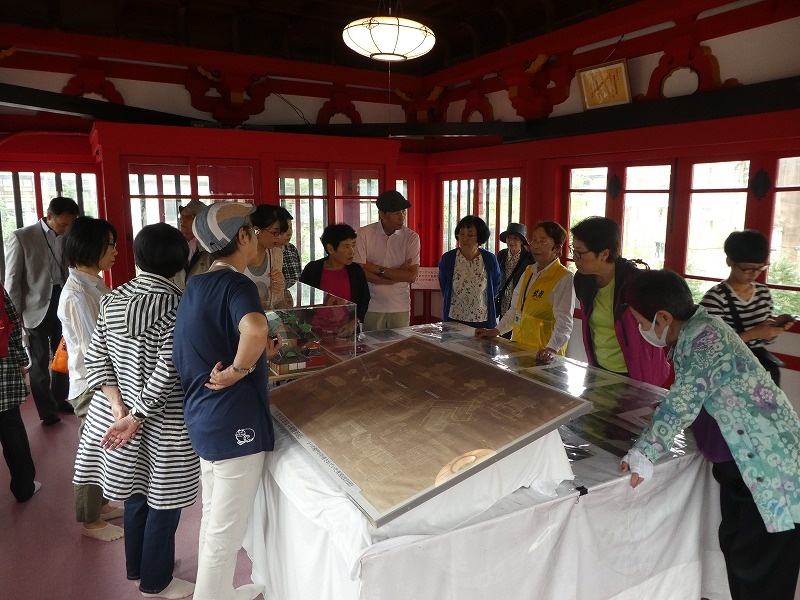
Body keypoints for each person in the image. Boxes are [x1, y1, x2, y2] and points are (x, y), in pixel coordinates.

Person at [620, 269, 800, 600]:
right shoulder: (697, 331)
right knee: (738, 547)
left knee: (760, 565)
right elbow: (699, 393)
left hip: (769, 470)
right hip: (745, 466)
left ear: (664, 317)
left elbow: (684, 400)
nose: (641, 329)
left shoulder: (706, 338)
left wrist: (644, 453)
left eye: (641, 323)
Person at [73, 223, 198, 600]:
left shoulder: (113, 298)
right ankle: (156, 581)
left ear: (139, 257)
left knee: (135, 491)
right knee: (165, 500)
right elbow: (168, 370)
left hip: (117, 419)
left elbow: (96, 358)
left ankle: (138, 567)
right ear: (180, 261)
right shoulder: (179, 304)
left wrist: (119, 409)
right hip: (163, 422)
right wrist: (137, 416)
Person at [173, 202, 281, 600]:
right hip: (235, 420)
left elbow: (201, 344)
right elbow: (253, 329)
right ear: (243, 236)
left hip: (203, 414)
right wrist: (240, 369)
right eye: (254, 231)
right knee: (226, 529)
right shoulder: (238, 285)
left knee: (213, 517)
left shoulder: (196, 285)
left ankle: (218, 591)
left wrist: (254, 355)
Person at [57, 216, 124, 541]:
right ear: (89, 248)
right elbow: (93, 349)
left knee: (102, 444)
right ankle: (89, 519)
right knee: (92, 450)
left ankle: (101, 504)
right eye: (109, 245)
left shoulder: (94, 284)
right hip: (92, 384)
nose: (115, 251)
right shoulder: (78, 294)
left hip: (102, 381)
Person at [3, 196, 79, 425]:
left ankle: (60, 398)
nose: (66, 229)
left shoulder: (67, 236)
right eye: (62, 224)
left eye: (70, 225)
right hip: (34, 307)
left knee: (64, 353)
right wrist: (14, 316)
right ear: (49, 216)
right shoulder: (21, 237)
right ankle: (47, 411)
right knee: (39, 360)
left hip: (63, 301)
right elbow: (12, 280)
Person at [570, 216, 670, 387]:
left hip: (636, 373)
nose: (574, 257)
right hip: (599, 368)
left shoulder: (636, 283)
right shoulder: (582, 280)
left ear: (604, 254)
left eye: (580, 252)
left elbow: (660, 330)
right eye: (573, 250)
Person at [700, 229, 792, 386]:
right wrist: (753, 333)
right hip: (726, 373)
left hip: (758, 371)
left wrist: (773, 330)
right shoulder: (715, 297)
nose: (754, 274)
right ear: (729, 261)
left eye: (760, 268)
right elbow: (709, 346)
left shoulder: (763, 293)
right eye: (747, 268)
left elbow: (764, 341)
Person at [476, 221, 574, 362]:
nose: (535, 246)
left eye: (542, 241)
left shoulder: (564, 277)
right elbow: (515, 309)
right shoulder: (529, 271)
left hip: (543, 355)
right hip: (518, 348)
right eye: (534, 240)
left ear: (557, 249)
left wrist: (551, 349)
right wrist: (496, 331)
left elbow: (564, 321)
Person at [354, 190, 420, 331]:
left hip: (400, 304)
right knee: (370, 343)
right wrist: (395, 277)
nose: (402, 216)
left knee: (399, 344)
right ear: (382, 214)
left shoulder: (411, 237)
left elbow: (411, 276)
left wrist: (376, 268)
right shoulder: (364, 233)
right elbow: (359, 271)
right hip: (371, 304)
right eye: (396, 213)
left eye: (403, 212)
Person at [0, 283, 40, 502]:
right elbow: (12, 323)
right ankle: (24, 487)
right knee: (11, 427)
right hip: (2, 366)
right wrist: (21, 359)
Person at [299, 223, 371, 325]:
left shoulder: (356, 271)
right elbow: (303, 300)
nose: (352, 251)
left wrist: (355, 322)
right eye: (346, 247)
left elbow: (364, 300)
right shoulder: (312, 269)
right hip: (316, 329)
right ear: (330, 248)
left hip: (347, 330)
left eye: (353, 245)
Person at [438, 215, 502, 329]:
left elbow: (496, 285)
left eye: (470, 235)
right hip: (454, 318)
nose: (464, 238)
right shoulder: (448, 258)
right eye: (461, 234)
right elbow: (444, 285)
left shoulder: (489, 259)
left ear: (479, 237)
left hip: (482, 319)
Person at [244, 204, 285, 307]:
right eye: (275, 233)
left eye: (281, 233)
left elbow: (278, 301)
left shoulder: (276, 254)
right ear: (256, 230)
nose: (279, 237)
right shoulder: (238, 253)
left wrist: (280, 285)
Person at [495, 222, 535, 323]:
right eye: (509, 238)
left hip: (519, 301)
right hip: (504, 300)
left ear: (521, 241)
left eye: (515, 238)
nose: (511, 241)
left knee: (517, 328)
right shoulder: (502, 254)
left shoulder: (529, 258)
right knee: (503, 326)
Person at [173, 199, 212, 289]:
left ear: (200, 220)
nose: (182, 220)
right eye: (182, 216)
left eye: (188, 217)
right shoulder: (173, 243)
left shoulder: (210, 246)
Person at [277, 206, 302, 285]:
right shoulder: (267, 251)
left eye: (290, 227)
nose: (289, 233)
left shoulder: (291, 249)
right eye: (285, 228)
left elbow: (299, 278)